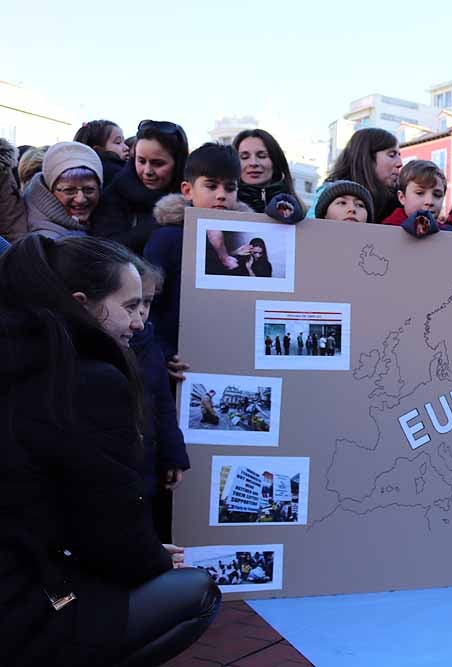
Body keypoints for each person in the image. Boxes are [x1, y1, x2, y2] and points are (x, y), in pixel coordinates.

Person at [0, 235, 220, 666]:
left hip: (22, 575)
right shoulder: (88, 381)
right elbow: (108, 521)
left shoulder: (24, 359)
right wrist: (155, 559)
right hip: (26, 605)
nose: (139, 323)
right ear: (83, 304)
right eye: (129, 306)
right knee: (197, 593)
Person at [144, 143, 252, 363]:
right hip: (179, 365)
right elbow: (146, 305)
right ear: (187, 190)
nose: (221, 195)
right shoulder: (167, 238)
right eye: (211, 186)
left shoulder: (246, 235)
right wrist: (163, 355)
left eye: (230, 188)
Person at [132, 260, 189, 542]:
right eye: (133, 302)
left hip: (150, 465)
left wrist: (173, 456)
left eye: (148, 301)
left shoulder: (150, 345)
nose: (142, 310)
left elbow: (164, 408)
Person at [94, 119, 189, 253]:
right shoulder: (115, 193)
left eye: (158, 163)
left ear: (178, 163)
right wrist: (160, 220)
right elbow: (105, 250)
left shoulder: (195, 199)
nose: (147, 171)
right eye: (141, 161)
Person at [1, 141, 105, 240]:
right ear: (48, 189)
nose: (80, 199)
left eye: (89, 190)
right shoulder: (48, 241)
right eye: (69, 190)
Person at [320, 128, 402, 223]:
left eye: (360, 205)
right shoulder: (331, 192)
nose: (399, 163)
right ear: (367, 158)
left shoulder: (401, 202)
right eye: (392, 155)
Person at [233, 129, 303, 215]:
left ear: (276, 161)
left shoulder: (298, 209)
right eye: (244, 157)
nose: (253, 163)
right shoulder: (224, 205)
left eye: (262, 156)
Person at [382, 160, 451, 237]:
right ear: (402, 198)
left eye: (437, 195)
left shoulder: (450, 234)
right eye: (420, 193)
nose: (429, 201)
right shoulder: (386, 230)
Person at [74, 120, 129, 184]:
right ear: (98, 150)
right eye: (118, 142)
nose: (126, 147)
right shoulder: (115, 172)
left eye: (124, 142)